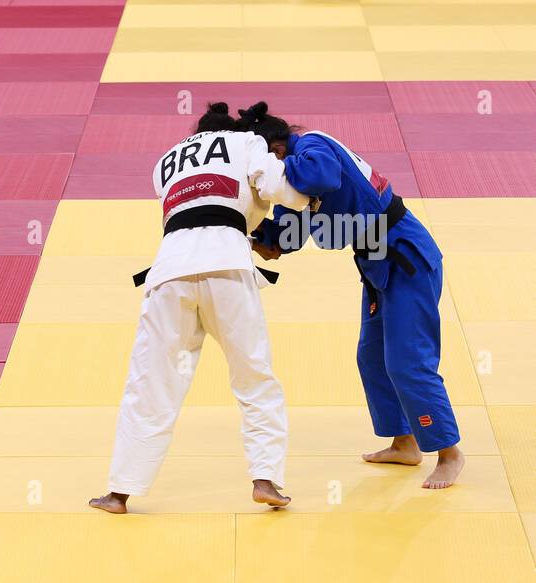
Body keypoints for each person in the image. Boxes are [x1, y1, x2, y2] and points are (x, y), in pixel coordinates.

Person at [89, 102, 311, 515]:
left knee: (150, 382)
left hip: (169, 271)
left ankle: (119, 491)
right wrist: (310, 198)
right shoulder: (246, 141)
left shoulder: (165, 161)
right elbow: (279, 188)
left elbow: (193, 205)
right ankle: (266, 480)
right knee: (254, 376)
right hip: (226, 263)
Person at [241, 101, 465, 489]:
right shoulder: (299, 176)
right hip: (376, 263)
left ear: (277, 151)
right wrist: (256, 238)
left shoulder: (312, 148)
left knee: (408, 361)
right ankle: (405, 443)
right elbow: (291, 234)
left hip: (405, 255)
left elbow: (322, 177)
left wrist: (272, 174)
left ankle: (449, 453)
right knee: (372, 357)